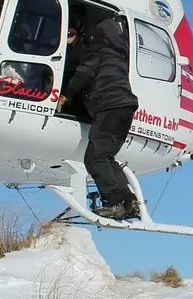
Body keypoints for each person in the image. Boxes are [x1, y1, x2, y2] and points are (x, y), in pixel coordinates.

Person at [57, 12, 141, 220]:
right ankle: (129, 203)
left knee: (94, 158)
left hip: (110, 106)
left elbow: (84, 73)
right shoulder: (117, 54)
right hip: (125, 108)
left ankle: (113, 203)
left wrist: (66, 95)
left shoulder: (95, 50)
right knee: (106, 157)